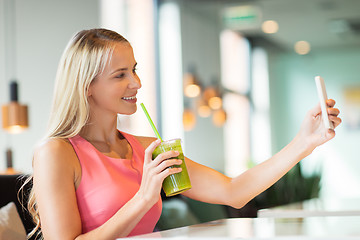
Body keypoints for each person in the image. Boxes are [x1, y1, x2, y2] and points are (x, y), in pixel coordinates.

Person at [27, 28, 341, 240]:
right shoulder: (56, 152)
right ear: (87, 86)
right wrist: (144, 198)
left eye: (134, 69)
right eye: (120, 75)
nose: (136, 83)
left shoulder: (150, 148)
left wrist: (304, 142)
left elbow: (234, 191)